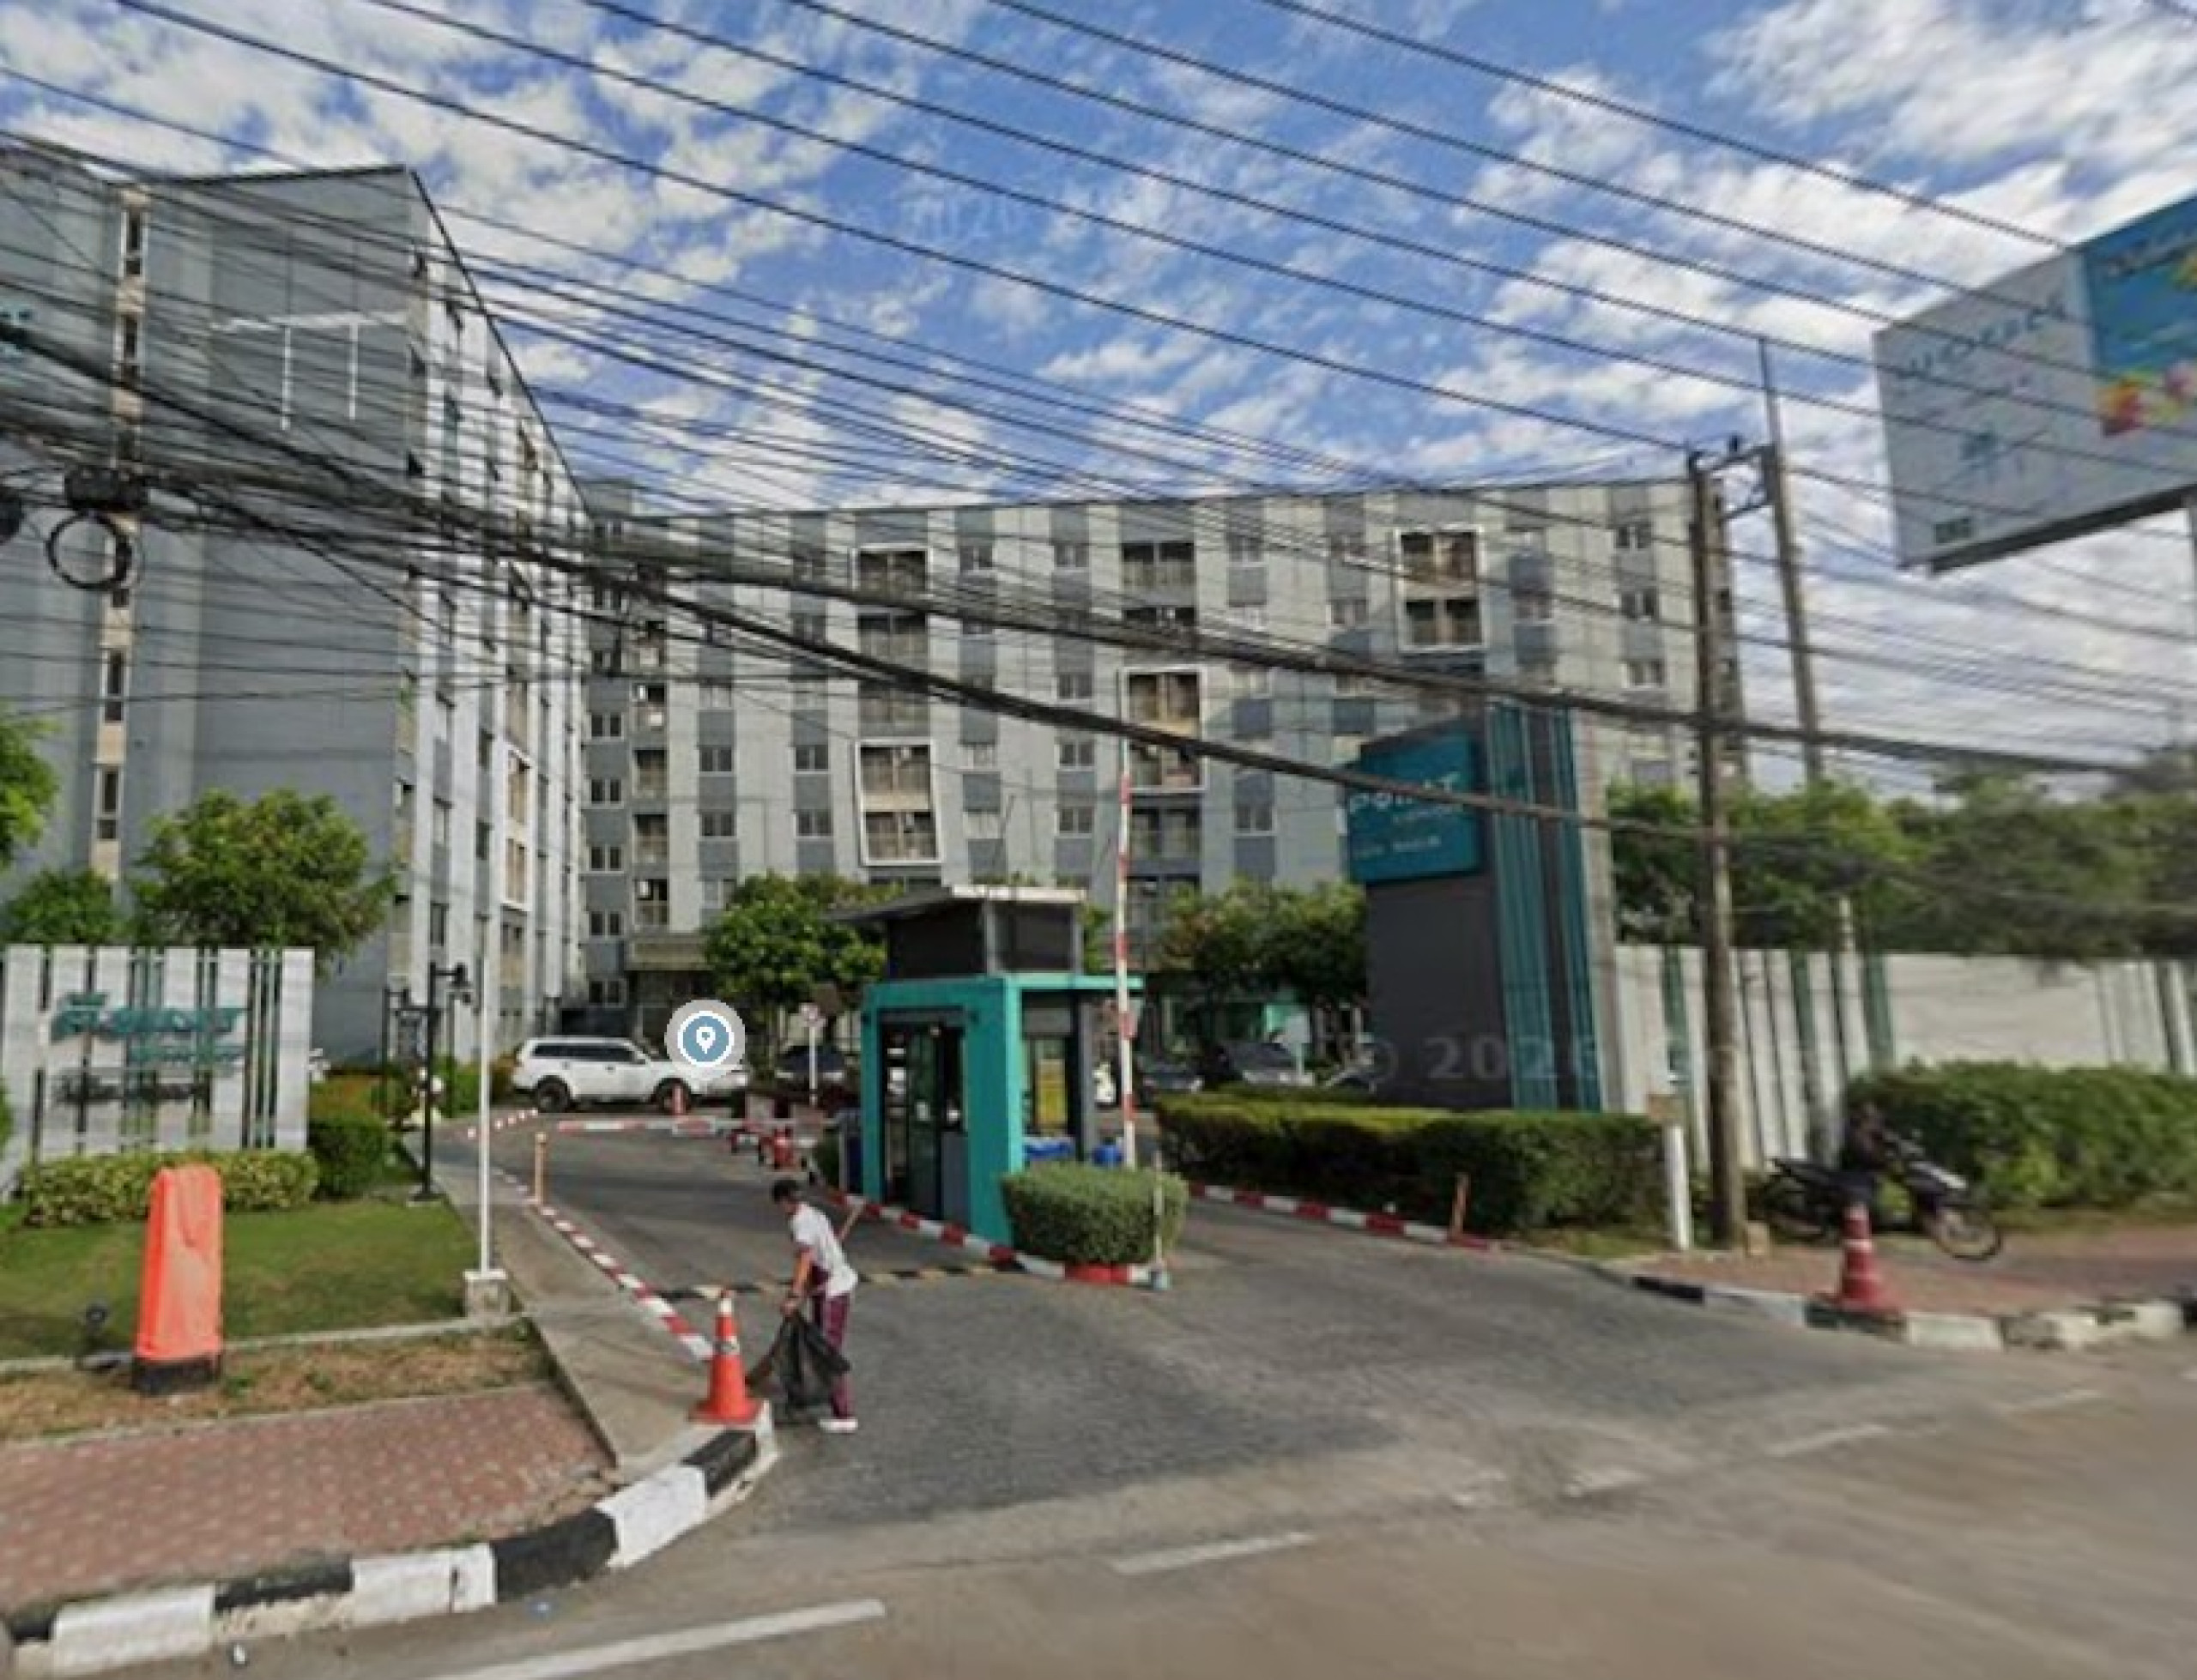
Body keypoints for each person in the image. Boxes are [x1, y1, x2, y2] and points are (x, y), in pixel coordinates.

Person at [772, 1177, 857, 1433]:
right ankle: (815, 1397)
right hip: (827, 1284)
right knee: (819, 1346)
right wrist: (805, 1290)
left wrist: (794, 1295)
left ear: (782, 1202)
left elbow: (805, 1259)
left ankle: (844, 1414)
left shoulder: (800, 1222)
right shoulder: (813, 1214)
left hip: (833, 1289)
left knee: (826, 1352)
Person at [1836, 1100, 1900, 1227]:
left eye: (1875, 1117)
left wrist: (1895, 1145)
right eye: (1870, 1117)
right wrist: (1884, 1160)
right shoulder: (1856, 1134)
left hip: (1868, 1173)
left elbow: (1891, 1141)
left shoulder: (1875, 1132)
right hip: (1855, 1176)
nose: (1874, 1121)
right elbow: (1865, 1154)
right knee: (1860, 1199)